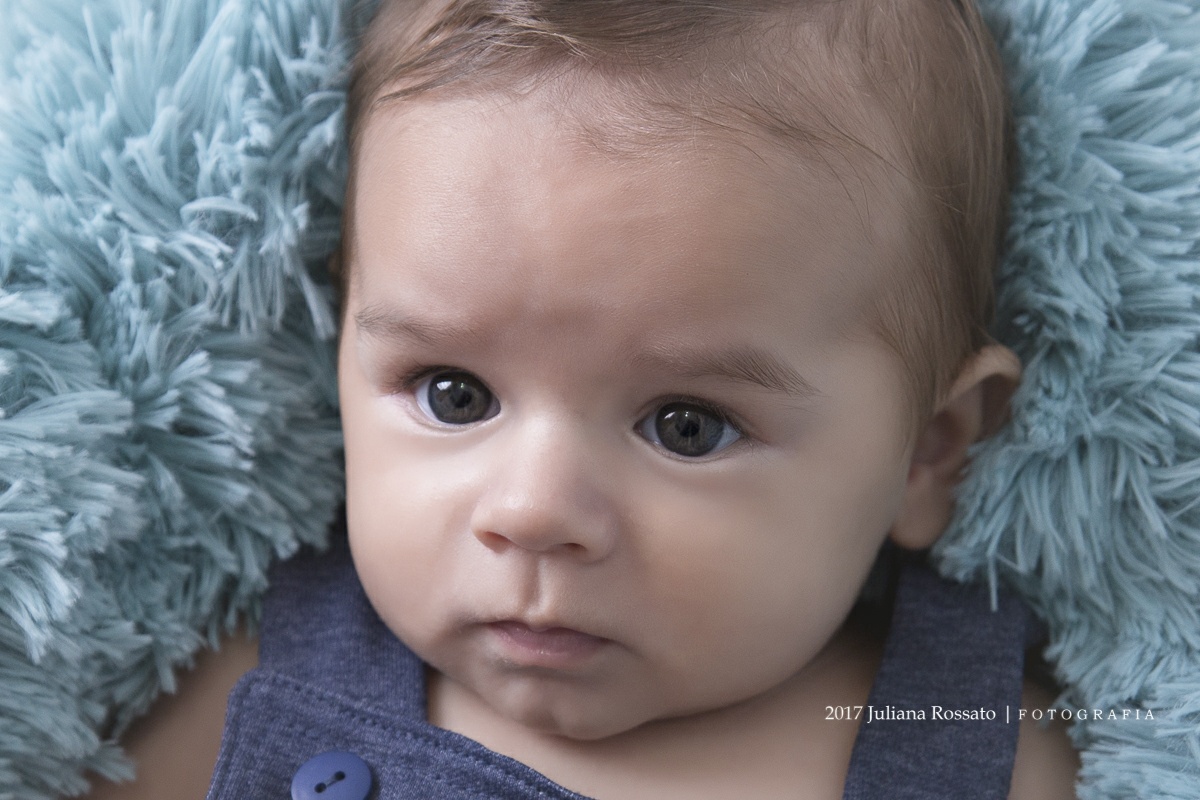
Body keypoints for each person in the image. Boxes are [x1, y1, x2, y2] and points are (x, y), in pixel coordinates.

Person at [87, 0, 1079, 797]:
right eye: (454, 394)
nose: (534, 511)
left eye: (687, 426)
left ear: (927, 449)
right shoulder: (256, 693)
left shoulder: (996, 749)